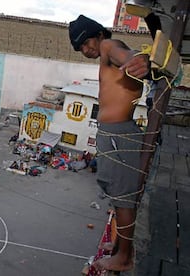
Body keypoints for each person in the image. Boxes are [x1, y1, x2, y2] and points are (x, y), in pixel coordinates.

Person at [69, 15, 150, 272]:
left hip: (118, 134)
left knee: (124, 197)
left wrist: (138, 60)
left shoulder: (108, 46)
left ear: (98, 34)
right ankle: (121, 245)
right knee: (118, 196)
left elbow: (124, 54)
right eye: (79, 48)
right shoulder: (106, 52)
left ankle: (124, 256)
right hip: (114, 134)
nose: (85, 49)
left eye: (86, 42)